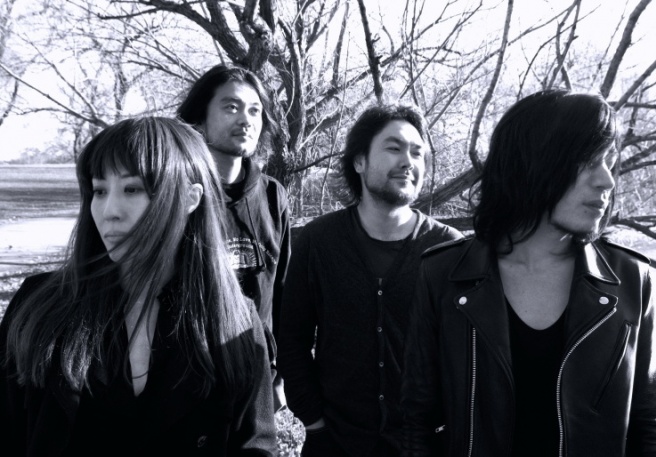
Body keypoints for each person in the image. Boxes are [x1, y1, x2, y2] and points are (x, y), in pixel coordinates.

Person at [401, 90, 656, 456]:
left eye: (608, 162)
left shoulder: (631, 280)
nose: (607, 181)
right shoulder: (443, 275)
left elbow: (648, 425)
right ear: (533, 162)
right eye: (589, 161)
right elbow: (417, 421)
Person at [0, 117, 277, 456]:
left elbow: (256, 445)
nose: (109, 211)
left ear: (190, 198)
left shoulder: (235, 321)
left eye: (132, 189)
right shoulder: (40, 305)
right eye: (99, 190)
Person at [278, 104, 462, 457]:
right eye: (394, 148)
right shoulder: (319, 241)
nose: (408, 161)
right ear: (359, 161)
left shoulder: (447, 248)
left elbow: (464, 353)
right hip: (335, 443)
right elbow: (291, 339)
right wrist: (314, 422)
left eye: (417, 152)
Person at [178, 65, 290, 409]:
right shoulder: (176, 193)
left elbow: (284, 291)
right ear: (199, 120)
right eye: (231, 107)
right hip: (186, 378)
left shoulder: (272, 195)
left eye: (255, 110)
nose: (246, 120)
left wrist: (279, 374)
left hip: (256, 373)